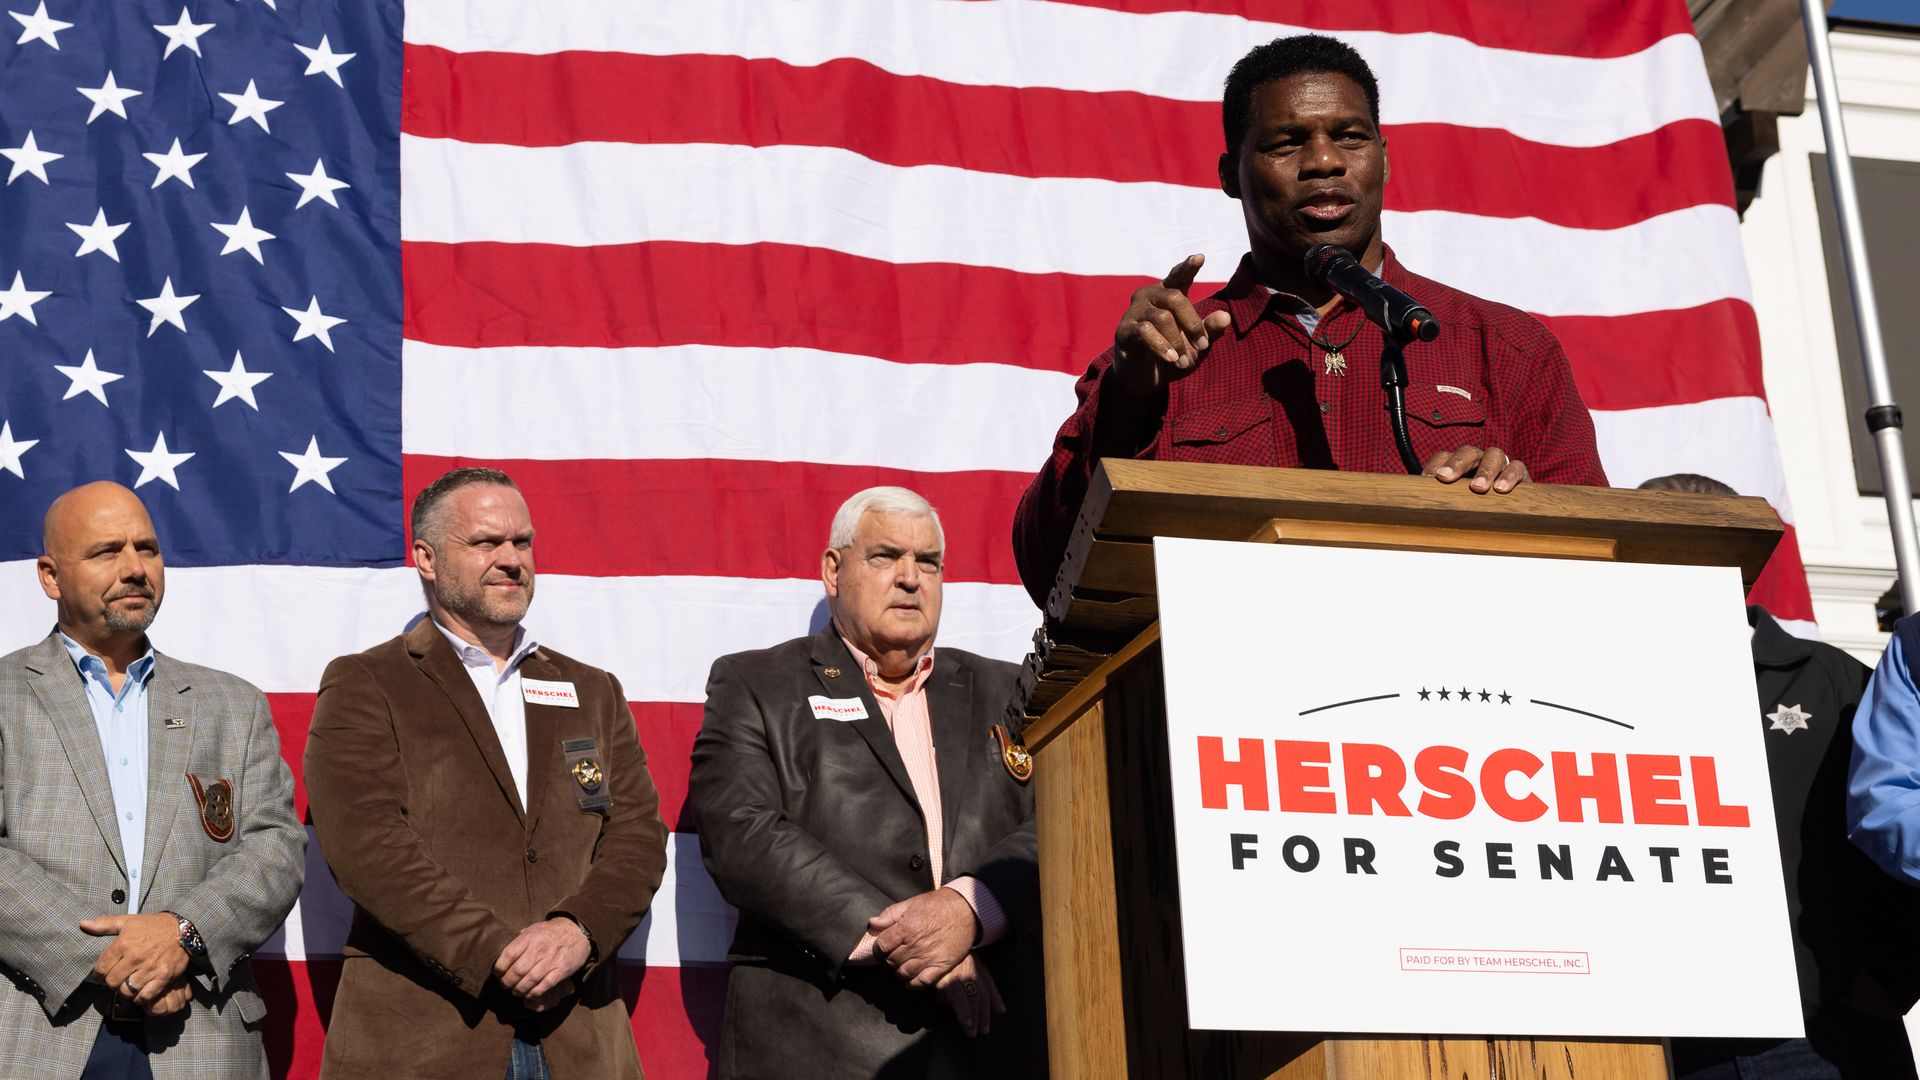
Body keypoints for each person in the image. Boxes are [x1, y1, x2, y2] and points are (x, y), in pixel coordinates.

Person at [1013, 34, 1608, 604]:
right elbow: (1050, 574)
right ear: (1229, 175)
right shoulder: (1158, 355)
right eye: (1285, 143)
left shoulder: (1506, 345)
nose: (1322, 161)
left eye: (1349, 137)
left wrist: (1511, 508)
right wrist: (1126, 401)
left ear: (1384, 157)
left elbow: (1601, 570)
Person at [305, 468, 669, 1079]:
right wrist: (499, 953)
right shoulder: (367, 682)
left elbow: (636, 837)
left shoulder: (591, 690)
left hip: (578, 1038)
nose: (511, 560)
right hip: (426, 1038)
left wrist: (578, 933)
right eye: (485, 543)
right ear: (426, 557)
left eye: (522, 542)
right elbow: (367, 846)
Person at [690, 487, 1044, 1079]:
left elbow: (1066, 819)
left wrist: (969, 910)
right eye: (885, 557)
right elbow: (740, 833)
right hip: (816, 1042)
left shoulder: (1011, 692)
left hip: (992, 1043)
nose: (910, 578)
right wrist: (915, 937)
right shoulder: (755, 682)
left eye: (927, 562)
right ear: (834, 571)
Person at [0, 481, 304, 1078]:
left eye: (148, 549)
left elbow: (277, 848)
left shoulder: (232, 704)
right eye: (106, 551)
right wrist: (124, 962)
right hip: (41, 1033)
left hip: (202, 1036)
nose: (135, 568)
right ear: (50, 576)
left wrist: (185, 936)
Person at [1629, 476, 1918, 1076]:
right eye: (1655, 540)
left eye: (1706, 541)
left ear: (1748, 559)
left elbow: (1899, 817)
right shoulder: (1584, 687)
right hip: (1659, 1041)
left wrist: (1898, 974)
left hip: (1831, 1034)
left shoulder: (1836, 683)